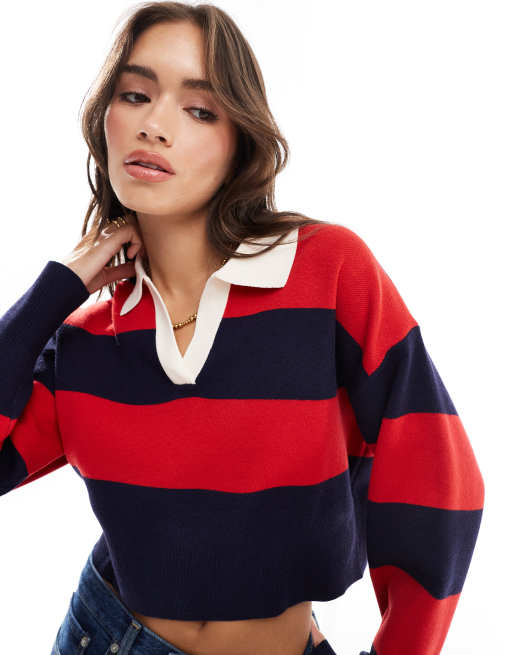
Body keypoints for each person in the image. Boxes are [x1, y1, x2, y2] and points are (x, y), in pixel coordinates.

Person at [0, 3, 484, 655]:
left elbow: (438, 478)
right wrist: (51, 293)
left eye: (199, 109)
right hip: (105, 637)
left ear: (239, 144)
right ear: (104, 120)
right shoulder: (83, 341)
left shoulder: (325, 271)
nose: (153, 125)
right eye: (135, 95)